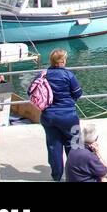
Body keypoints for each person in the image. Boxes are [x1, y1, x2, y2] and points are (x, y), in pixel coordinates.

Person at [38, 48, 82, 182]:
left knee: (54, 146)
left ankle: (56, 176)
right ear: (63, 61)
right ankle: (76, 175)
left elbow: (33, 91)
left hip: (48, 116)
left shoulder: (43, 74)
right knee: (74, 144)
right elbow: (78, 93)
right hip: (69, 116)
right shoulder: (69, 75)